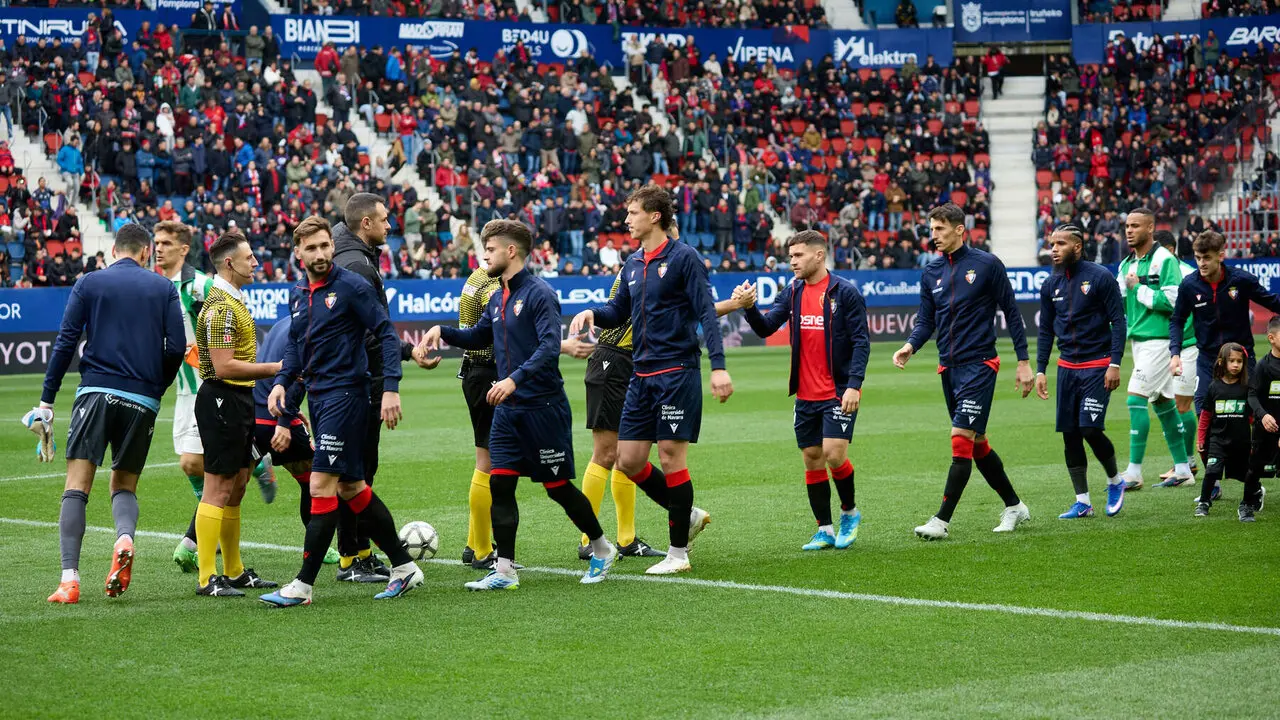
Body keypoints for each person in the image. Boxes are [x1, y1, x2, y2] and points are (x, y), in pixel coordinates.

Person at [420, 220, 617, 590]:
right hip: (509, 411)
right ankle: (505, 569)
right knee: (501, 484)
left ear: (511, 251)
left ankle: (602, 548)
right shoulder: (497, 297)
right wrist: (441, 332)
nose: (484, 256)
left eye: (490, 249)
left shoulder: (540, 294)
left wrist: (512, 380)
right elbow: (481, 335)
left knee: (557, 487)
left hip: (543, 407)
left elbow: (547, 348)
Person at [260, 217, 423, 607]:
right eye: (311, 248)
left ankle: (302, 586)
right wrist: (283, 384)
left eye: (324, 246)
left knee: (321, 486)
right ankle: (405, 568)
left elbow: (385, 333)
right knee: (352, 488)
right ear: (297, 253)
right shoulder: (298, 295)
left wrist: (391, 389)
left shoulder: (351, 286)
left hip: (347, 396)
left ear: (332, 247)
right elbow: (299, 351)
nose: (319, 254)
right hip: (318, 397)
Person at [570, 185, 732, 575]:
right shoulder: (633, 262)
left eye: (633, 213)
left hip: (676, 371)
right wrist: (593, 312)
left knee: (671, 458)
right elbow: (618, 311)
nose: (626, 219)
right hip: (640, 375)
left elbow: (707, 314)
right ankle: (686, 512)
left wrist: (720, 366)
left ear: (655, 216)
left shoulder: (684, 258)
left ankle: (678, 553)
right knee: (628, 460)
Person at [40, 223, 185, 604]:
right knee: (123, 485)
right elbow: (176, 348)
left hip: (96, 393)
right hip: (142, 399)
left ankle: (69, 580)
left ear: (113, 251)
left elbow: (66, 341)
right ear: (144, 252)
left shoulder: (89, 282)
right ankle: (123, 538)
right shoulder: (164, 287)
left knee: (77, 486)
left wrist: (47, 399)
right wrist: (157, 386)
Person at [893, 203, 1032, 540]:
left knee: (960, 440)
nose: (933, 236)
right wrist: (911, 345)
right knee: (977, 443)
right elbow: (926, 321)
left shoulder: (986, 265)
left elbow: (1012, 313)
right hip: (948, 368)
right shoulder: (930, 272)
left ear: (959, 229)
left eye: (939, 229)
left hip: (980, 365)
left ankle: (940, 521)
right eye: (931, 229)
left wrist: (1024, 362)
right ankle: (1014, 506)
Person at [449, 264, 595, 570]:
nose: (489, 255)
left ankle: (478, 546)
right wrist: (562, 346)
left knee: (501, 469)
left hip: (490, 375)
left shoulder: (482, 277)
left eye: (492, 248)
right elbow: (509, 328)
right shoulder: (497, 286)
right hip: (498, 376)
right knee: (490, 467)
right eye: (487, 248)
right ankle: (481, 549)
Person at [739, 230, 871, 549]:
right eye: (791, 256)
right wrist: (749, 307)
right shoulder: (794, 291)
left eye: (798, 256)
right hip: (805, 394)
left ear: (819, 255)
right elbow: (767, 327)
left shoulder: (845, 292)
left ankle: (850, 513)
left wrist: (854, 386)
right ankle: (824, 529)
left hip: (838, 392)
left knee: (833, 454)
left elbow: (861, 342)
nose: (792, 262)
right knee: (812, 458)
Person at [329, 193, 422, 583]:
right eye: (384, 220)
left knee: (352, 469)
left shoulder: (348, 249)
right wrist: (392, 374)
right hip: (356, 381)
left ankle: (357, 552)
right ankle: (353, 557)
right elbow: (370, 335)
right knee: (357, 471)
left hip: (344, 379)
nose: (390, 226)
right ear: (364, 224)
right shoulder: (357, 266)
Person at [191, 230, 282, 597]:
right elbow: (225, 366)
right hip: (221, 399)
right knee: (218, 486)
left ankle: (234, 570)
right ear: (229, 263)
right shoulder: (220, 308)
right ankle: (207, 577)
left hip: (238, 400)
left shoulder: (233, 301)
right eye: (249, 258)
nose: (256, 263)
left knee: (239, 485)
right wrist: (275, 368)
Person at [1034, 225, 1128, 519]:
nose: (1054, 249)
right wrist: (1040, 370)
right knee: (1070, 434)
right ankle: (1083, 502)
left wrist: (1115, 363)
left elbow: (1118, 322)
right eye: (1052, 243)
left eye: (1060, 243)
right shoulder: (1050, 284)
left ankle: (1115, 481)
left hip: (1097, 364)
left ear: (1077, 246)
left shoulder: (1100, 277)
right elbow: (1046, 330)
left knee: (1089, 427)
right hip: (1067, 367)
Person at [1116, 208, 1195, 491]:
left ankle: (1134, 472)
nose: (1129, 230)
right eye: (1127, 225)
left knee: (1134, 398)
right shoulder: (1126, 264)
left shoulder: (1164, 259)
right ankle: (1184, 469)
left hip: (1160, 341)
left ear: (1150, 229)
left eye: (1135, 226)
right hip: (1139, 341)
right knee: (1162, 403)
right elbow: (1120, 305)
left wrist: (1139, 289)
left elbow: (1175, 301)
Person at [251, 314, 338, 560]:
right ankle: (318, 549)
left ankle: (190, 543)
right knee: (314, 481)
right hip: (276, 416)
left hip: (251, 414)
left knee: (227, 486)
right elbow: (298, 378)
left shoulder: (281, 324)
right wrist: (285, 421)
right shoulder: (311, 329)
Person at [1171, 229, 1280, 415]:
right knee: (1203, 411)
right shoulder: (1189, 285)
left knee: (1253, 412)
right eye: (1198, 258)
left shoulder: (1241, 280)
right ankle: (1207, 445)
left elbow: (1272, 302)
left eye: (1206, 258)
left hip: (1242, 356)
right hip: (1208, 359)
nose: (1201, 263)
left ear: (1220, 256)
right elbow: (1177, 320)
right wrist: (1175, 353)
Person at [1154, 229, 1200, 483]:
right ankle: (1183, 462)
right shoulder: (1163, 273)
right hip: (1169, 348)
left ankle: (1187, 463)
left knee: (1182, 404)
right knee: (1167, 402)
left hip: (1188, 345)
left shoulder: (1185, 275)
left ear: (1170, 251)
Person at [1193, 343, 1252, 518]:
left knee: (1247, 474)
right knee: (1211, 471)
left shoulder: (1246, 388)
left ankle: (1249, 500)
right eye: (1232, 360)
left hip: (1241, 441)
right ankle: (1204, 502)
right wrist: (1200, 438)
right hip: (1218, 440)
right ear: (1221, 362)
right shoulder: (1214, 387)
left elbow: (1252, 417)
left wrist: (1255, 439)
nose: (1235, 364)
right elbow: (1205, 416)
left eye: (1239, 361)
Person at [1241, 325, 1280, 522]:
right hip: (1265, 427)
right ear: (1271, 338)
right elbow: (1252, 395)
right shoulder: (1264, 366)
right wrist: (1263, 416)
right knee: (1255, 467)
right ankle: (1246, 504)